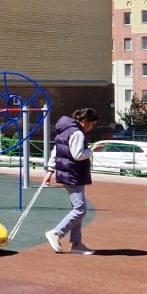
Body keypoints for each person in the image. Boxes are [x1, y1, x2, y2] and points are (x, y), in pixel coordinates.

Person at [45, 107, 98, 255]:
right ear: (85, 121)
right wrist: (93, 150)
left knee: (77, 208)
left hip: (68, 173)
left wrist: (50, 170)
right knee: (80, 209)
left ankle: (76, 244)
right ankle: (57, 233)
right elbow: (78, 155)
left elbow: (56, 151)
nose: (92, 127)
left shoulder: (65, 130)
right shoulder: (77, 133)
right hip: (73, 174)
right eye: (92, 124)